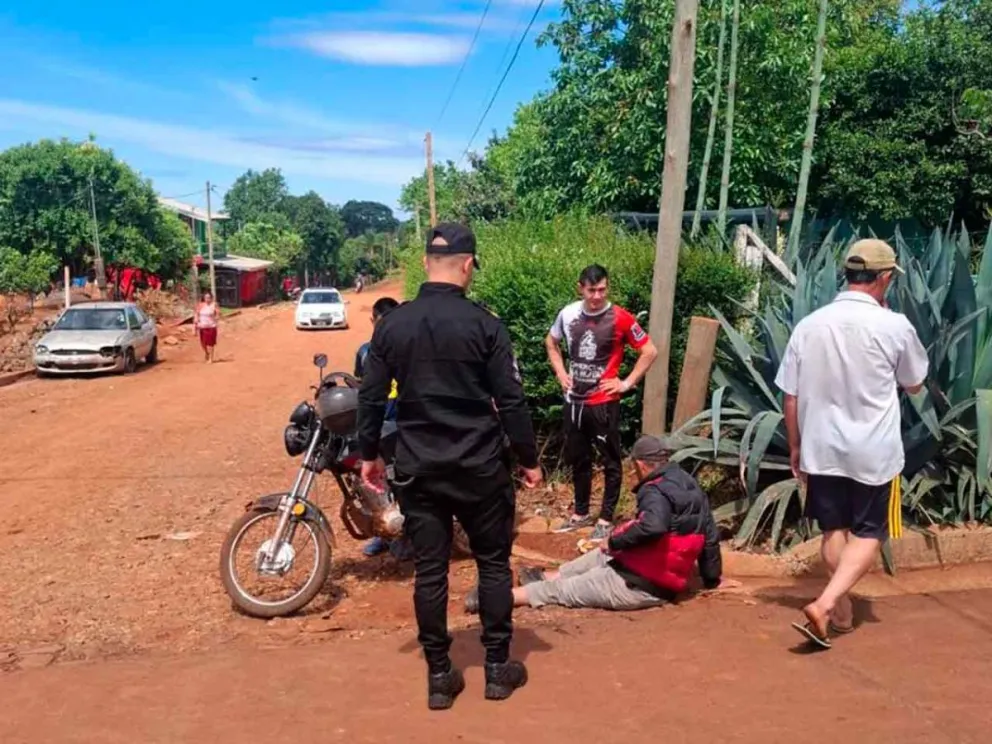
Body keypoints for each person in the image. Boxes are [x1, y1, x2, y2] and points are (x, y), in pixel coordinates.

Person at [357, 222, 543, 710]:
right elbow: (512, 399)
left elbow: (372, 398)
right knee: (493, 564)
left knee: (431, 572)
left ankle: (440, 676)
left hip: (420, 469)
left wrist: (369, 455)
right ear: (467, 266)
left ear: (425, 264)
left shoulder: (392, 326)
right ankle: (498, 669)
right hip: (480, 467)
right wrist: (528, 459)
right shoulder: (487, 325)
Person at [775, 239, 929, 649]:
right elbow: (914, 383)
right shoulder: (894, 326)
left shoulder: (809, 324)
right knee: (871, 530)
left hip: (820, 447)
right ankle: (826, 604)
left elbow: (789, 396)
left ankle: (840, 614)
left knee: (833, 528)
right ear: (884, 278)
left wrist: (795, 446)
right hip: (873, 450)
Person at [467, 435, 723, 614]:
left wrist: (614, 540)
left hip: (638, 586)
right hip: (648, 575)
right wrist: (712, 580)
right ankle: (542, 576)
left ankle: (497, 599)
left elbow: (653, 526)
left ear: (642, 465)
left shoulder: (653, 490)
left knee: (562, 591)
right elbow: (709, 536)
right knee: (603, 554)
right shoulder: (689, 484)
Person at [546, 264, 658, 540]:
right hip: (574, 401)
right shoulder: (568, 313)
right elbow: (551, 342)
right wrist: (561, 373)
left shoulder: (619, 317)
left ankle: (606, 518)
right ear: (580, 288)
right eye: (591, 290)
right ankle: (580, 513)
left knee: (610, 460)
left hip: (604, 401)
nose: (597, 296)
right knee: (578, 458)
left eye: (602, 289)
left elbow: (649, 350)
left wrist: (626, 383)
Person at [354, 296, 403, 558]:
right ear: (372, 321)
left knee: (401, 484)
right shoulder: (364, 352)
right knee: (375, 486)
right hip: (379, 425)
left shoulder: (407, 348)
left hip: (401, 426)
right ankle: (382, 536)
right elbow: (361, 389)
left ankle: (407, 536)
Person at [194, 291, 219, 363]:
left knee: (210, 343)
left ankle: (211, 358)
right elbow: (196, 314)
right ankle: (207, 353)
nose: (207, 299)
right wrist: (196, 322)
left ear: (211, 298)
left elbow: (217, 313)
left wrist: (216, 318)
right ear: (204, 298)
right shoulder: (200, 305)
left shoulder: (214, 305)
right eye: (206, 298)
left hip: (211, 326)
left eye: (209, 298)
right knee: (203, 343)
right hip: (202, 326)